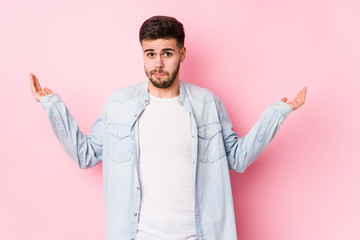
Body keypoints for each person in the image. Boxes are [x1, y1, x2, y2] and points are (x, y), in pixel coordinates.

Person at [30, 16, 306, 240]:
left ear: (182, 53)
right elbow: (85, 154)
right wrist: (52, 107)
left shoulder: (206, 103)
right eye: (150, 54)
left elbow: (238, 159)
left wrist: (278, 114)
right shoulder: (120, 105)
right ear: (143, 54)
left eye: (167, 53)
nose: (158, 63)